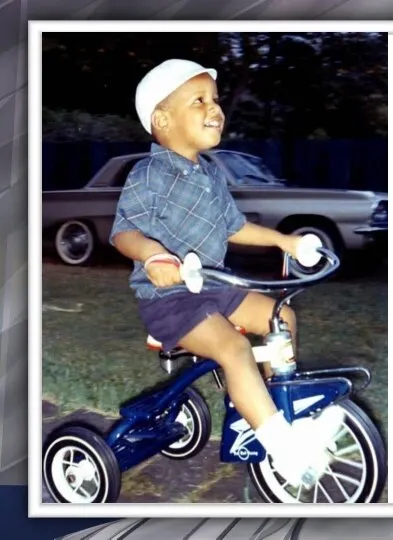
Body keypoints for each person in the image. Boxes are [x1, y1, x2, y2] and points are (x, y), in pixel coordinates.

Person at [109, 59, 344, 488]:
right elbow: (124, 232)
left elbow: (234, 226)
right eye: (198, 100)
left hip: (213, 285)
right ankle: (284, 449)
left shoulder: (211, 174)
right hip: (169, 299)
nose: (214, 108)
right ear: (162, 120)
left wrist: (284, 242)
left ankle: (276, 411)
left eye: (215, 100)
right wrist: (154, 256)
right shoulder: (149, 174)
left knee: (281, 318)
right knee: (234, 350)